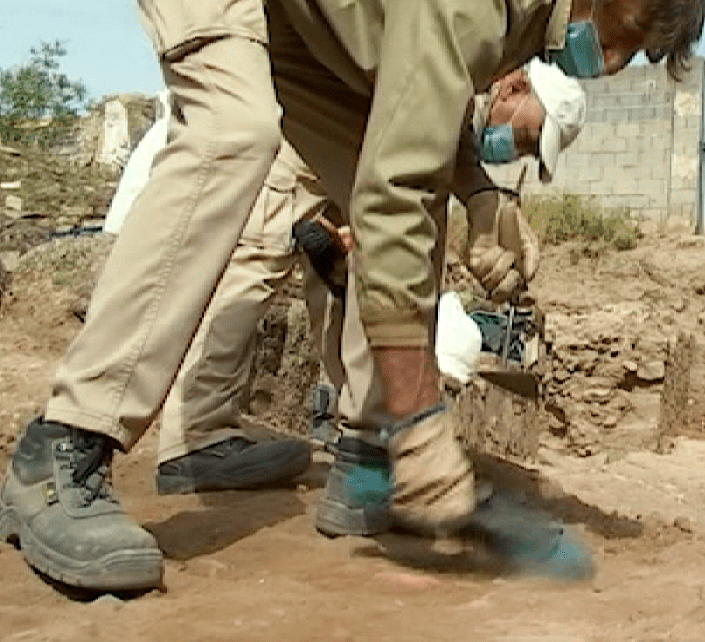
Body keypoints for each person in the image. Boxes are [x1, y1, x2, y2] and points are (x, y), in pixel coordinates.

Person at [0, 0, 705, 593]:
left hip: (311, 28)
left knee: (414, 205)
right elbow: (392, 181)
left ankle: (368, 464)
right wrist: (424, 417)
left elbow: (418, 132)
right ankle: (63, 448)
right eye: (627, 34)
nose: (619, 62)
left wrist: (484, 195)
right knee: (235, 133)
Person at [151, 59, 586, 505]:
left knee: (344, 286)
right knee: (259, 257)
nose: (520, 151)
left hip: (364, 152)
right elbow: (423, 121)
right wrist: (476, 196)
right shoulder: (470, 54)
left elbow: (438, 138)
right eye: (529, 136)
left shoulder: (471, 98)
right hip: (315, 133)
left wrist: (484, 198)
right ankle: (194, 438)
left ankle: (363, 439)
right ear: (513, 87)